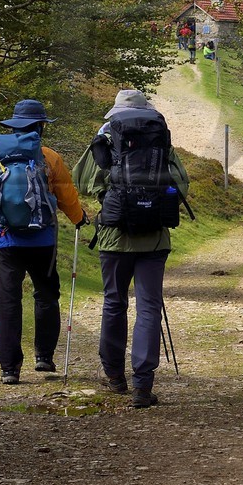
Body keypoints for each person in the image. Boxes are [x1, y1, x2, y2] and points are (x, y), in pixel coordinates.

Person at [72, 89, 191, 408]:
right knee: (149, 306)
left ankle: (114, 376)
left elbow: (81, 180)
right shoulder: (159, 137)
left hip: (113, 235)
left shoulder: (107, 136)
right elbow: (181, 183)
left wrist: (109, 194)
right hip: (154, 237)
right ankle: (142, 384)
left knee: (114, 302)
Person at [0, 98, 88, 385]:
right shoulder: (50, 157)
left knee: (8, 300)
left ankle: (9, 369)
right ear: (40, 127)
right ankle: (44, 357)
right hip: (42, 240)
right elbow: (66, 197)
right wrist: (79, 219)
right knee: (47, 295)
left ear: (14, 127)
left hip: (6, 242)